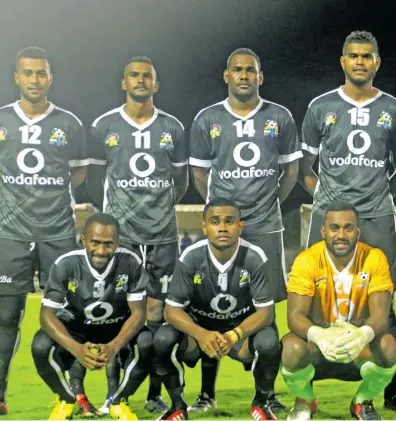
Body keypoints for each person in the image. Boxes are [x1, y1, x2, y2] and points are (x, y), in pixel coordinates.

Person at [0, 46, 88, 418]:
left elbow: (78, 174)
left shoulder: (69, 124)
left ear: (50, 78)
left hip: (59, 233)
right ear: (16, 77)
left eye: (41, 73)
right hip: (13, 234)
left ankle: (75, 397)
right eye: (28, 73)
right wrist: (20, 208)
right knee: (8, 317)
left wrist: (49, 204)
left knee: (72, 316)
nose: (34, 80)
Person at [299, 30, 396, 413]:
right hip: (327, 215)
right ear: (343, 61)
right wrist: (332, 203)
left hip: (377, 215)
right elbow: (305, 170)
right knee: (313, 297)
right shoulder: (320, 107)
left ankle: (386, 391)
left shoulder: (393, 109)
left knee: (385, 301)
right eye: (353, 56)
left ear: (376, 62)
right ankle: (305, 395)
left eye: (367, 56)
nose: (360, 61)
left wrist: (372, 200)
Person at [188, 47, 300, 414]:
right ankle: (206, 393)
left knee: (264, 308)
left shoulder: (279, 117)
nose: (243, 75)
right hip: (224, 230)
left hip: (266, 227)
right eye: (237, 69)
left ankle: (264, 394)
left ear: (260, 77)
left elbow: (291, 173)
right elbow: (200, 173)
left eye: (250, 70)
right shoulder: (207, 119)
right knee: (210, 306)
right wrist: (223, 215)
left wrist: (266, 206)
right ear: (226, 75)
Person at [86, 55, 188, 414]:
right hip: (123, 239)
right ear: (124, 83)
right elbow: (95, 179)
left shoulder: (173, 128)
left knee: (158, 317)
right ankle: (114, 395)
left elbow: (180, 181)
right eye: (134, 75)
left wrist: (157, 210)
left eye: (147, 76)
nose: (141, 80)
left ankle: (154, 393)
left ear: (156, 85)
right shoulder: (103, 126)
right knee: (118, 317)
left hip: (162, 237)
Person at [153, 198, 282, 421]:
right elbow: (171, 311)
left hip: (239, 333)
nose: (222, 227)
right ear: (204, 226)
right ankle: (177, 405)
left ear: (240, 226)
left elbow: (266, 313)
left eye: (229, 221)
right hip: (199, 334)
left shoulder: (254, 257)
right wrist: (201, 334)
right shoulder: (191, 257)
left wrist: (234, 335)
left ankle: (261, 403)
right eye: (215, 221)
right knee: (163, 338)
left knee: (269, 340)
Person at [280, 201, 396, 421]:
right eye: (334, 228)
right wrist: (322, 336)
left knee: (389, 347)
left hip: (357, 349)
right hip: (318, 348)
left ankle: (362, 402)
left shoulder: (374, 258)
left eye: (348, 227)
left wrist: (362, 335)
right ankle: (305, 400)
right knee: (290, 347)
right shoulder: (307, 260)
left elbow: (381, 315)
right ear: (323, 232)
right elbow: (294, 316)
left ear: (357, 231)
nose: (341, 234)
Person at [31, 213, 151, 420]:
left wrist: (115, 345)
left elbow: (139, 313)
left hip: (115, 325)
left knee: (149, 342)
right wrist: (76, 349)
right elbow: (46, 315)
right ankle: (67, 400)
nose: (101, 251)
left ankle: (119, 401)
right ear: (83, 240)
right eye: (95, 243)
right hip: (78, 327)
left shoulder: (130, 262)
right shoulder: (66, 264)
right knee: (40, 346)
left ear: (118, 242)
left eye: (108, 244)